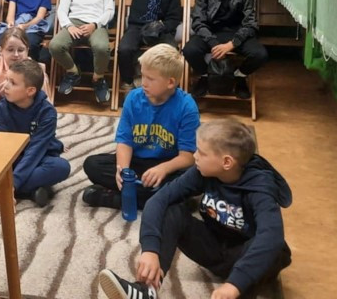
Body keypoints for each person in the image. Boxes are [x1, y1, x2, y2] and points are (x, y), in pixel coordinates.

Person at [97, 119, 292, 299]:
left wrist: (234, 284)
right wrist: (150, 249)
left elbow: (271, 237)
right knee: (172, 210)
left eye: (202, 153)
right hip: (214, 249)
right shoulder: (202, 172)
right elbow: (158, 200)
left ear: (226, 162)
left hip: (246, 258)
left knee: (276, 248)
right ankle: (147, 290)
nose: (195, 156)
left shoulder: (260, 187)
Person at [81, 44, 198, 210]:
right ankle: (163, 201)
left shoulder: (187, 106)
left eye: (150, 79)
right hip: (136, 163)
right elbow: (125, 142)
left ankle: (118, 199)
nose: (143, 83)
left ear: (170, 82)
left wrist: (163, 169)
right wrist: (123, 171)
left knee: (196, 177)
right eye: (142, 75)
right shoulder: (133, 98)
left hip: (168, 165)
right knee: (92, 164)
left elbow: (188, 157)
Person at [184, 0, 267, 100]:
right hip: (210, 33)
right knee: (189, 50)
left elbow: (250, 24)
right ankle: (206, 75)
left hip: (237, 34)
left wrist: (232, 44)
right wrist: (213, 43)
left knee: (260, 54)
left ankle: (239, 76)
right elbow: (198, 21)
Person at [0, 59, 70, 207]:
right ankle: (35, 190)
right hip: (12, 159)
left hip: (40, 157)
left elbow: (36, 150)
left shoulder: (47, 112)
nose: (5, 85)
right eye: (6, 79)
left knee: (61, 167)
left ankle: (6, 189)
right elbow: (4, 149)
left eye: (12, 83)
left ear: (30, 91)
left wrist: (12, 184)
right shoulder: (1, 108)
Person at [50, 0, 116, 104]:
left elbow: (109, 10)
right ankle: (73, 72)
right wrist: (69, 25)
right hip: (74, 22)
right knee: (55, 45)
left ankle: (98, 78)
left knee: (102, 47)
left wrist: (95, 24)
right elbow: (62, 10)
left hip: (96, 23)